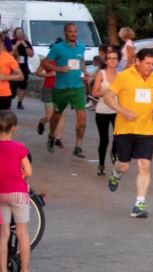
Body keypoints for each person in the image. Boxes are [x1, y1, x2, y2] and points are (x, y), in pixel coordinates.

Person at [103, 48, 153, 218]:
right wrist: (123, 111)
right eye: (147, 63)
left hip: (147, 130)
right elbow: (108, 97)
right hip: (125, 129)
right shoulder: (124, 76)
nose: (151, 67)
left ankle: (139, 204)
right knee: (124, 165)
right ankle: (116, 174)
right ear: (138, 61)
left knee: (144, 165)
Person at [44, 23, 88, 157]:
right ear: (65, 33)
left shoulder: (81, 47)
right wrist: (58, 69)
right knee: (56, 116)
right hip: (61, 88)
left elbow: (81, 61)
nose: (73, 34)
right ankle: (51, 136)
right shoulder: (58, 48)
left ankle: (78, 146)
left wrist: (85, 72)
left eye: (75, 31)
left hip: (77, 88)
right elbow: (45, 63)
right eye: (70, 32)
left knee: (82, 118)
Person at [0, 111, 33, 272]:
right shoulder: (19, 147)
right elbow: (28, 172)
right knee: (22, 233)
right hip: (19, 193)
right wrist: (19, 176)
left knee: (3, 234)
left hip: (1, 194)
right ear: (14, 128)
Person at [92, 47, 120, 176]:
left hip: (117, 111)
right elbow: (94, 93)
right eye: (110, 59)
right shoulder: (101, 73)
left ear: (118, 61)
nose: (112, 61)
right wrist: (106, 93)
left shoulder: (121, 76)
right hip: (102, 110)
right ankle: (101, 164)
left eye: (115, 58)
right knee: (104, 140)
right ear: (106, 61)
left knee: (118, 137)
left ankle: (114, 153)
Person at [34, 55, 65, 146]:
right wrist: (49, 74)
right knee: (49, 116)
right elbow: (38, 72)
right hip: (49, 89)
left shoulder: (65, 59)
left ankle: (58, 138)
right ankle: (42, 122)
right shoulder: (47, 60)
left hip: (61, 90)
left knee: (60, 114)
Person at [11, 28, 33, 110]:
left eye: (21, 32)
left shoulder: (26, 42)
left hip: (24, 66)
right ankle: (10, 97)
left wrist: (25, 45)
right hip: (13, 66)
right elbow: (10, 52)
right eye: (18, 32)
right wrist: (17, 44)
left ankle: (20, 102)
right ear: (15, 34)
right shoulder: (12, 41)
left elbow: (31, 54)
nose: (20, 34)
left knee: (23, 84)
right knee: (12, 84)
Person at [0, 39, 24, 111]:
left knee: (4, 117)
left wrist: (6, 77)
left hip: (3, 94)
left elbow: (21, 76)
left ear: (2, 44)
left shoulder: (8, 58)